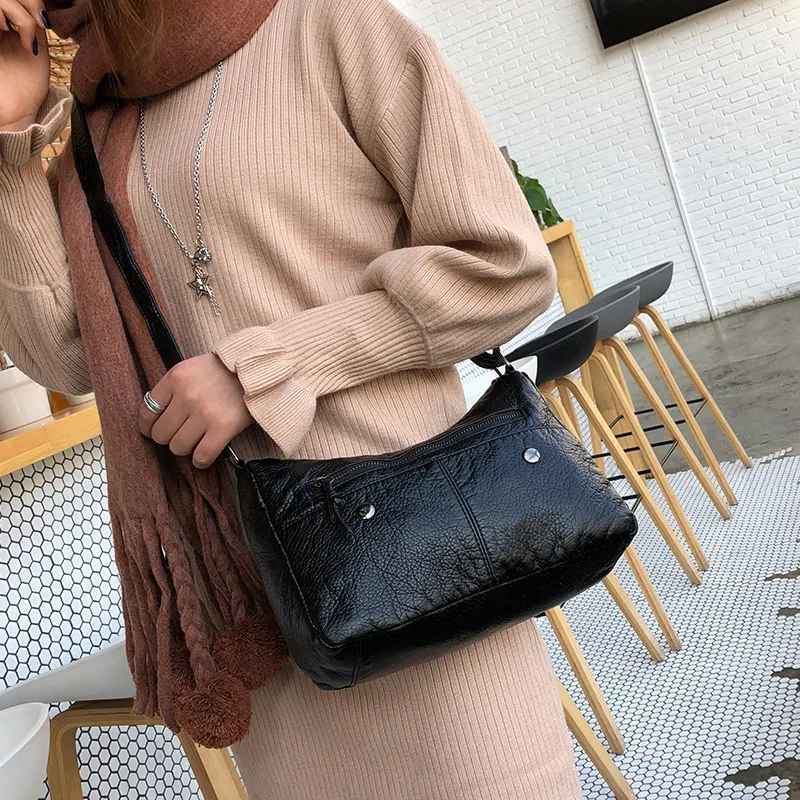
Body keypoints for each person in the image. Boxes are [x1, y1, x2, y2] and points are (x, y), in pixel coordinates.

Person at [0, 0, 583, 797]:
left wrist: (266, 370)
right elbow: (65, 357)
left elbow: (502, 267)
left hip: (424, 564)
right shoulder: (92, 134)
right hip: (262, 610)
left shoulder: (332, 28)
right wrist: (11, 130)